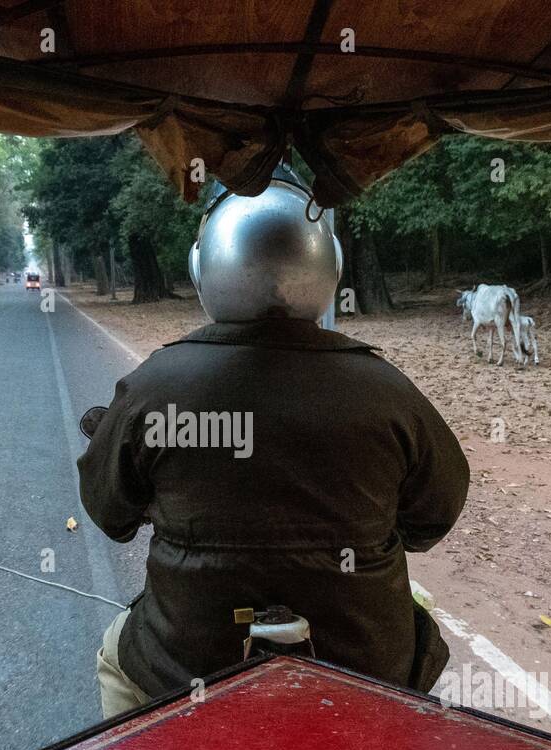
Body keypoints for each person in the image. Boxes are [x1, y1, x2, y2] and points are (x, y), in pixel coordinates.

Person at [77, 166, 469, 719]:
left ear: (203, 267)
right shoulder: (388, 390)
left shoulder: (153, 385)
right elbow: (433, 517)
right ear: (325, 269)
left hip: (183, 664)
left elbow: (108, 514)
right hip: (368, 665)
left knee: (116, 655)